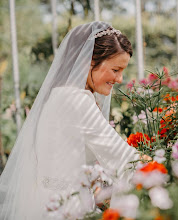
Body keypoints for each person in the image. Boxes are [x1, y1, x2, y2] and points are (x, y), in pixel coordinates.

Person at [0, 21, 145, 219]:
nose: (120, 79)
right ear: (89, 62)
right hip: (68, 210)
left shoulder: (58, 95)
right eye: (115, 69)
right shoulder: (78, 101)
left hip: (45, 205)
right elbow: (124, 160)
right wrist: (163, 170)